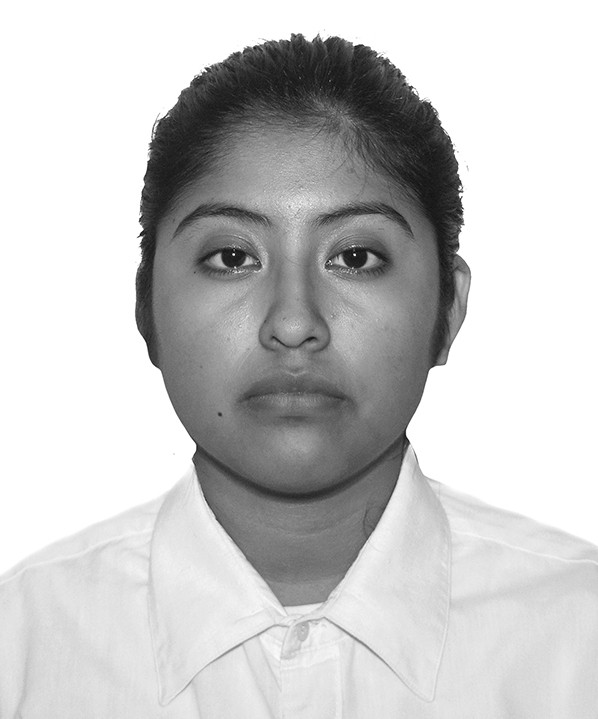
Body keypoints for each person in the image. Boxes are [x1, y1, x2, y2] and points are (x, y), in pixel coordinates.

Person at [0, 34, 596, 718]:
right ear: (146, 308)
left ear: (449, 307)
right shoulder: (21, 649)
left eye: (356, 257)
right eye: (232, 257)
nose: (292, 322)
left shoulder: (579, 640)